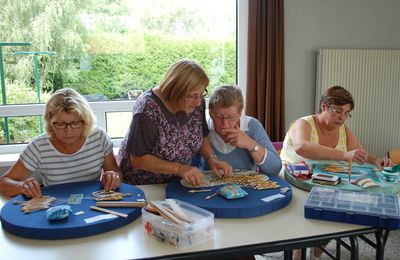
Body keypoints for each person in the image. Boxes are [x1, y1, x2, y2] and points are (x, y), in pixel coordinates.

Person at [280, 85, 392, 260]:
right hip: (294, 181)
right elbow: (302, 147)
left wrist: (376, 160)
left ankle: (318, 248)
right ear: (323, 106)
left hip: (324, 182)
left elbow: (359, 153)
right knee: (304, 214)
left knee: (339, 208)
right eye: (338, 111)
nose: (342, 117)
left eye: (347, 113)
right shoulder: (303, 123)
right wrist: (344, 155)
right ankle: (298, 252)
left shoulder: (343, 130)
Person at [118, 59, 232, 186]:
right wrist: (180, 169)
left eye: (201, 94)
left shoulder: (196, 102)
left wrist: (212, 159)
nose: (199, 102)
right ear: (176, 90)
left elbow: (202, 135)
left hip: (176, 181)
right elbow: (138, 159)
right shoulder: (147, 109)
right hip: (144, 184)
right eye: (193, 95)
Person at [0, 88, 122, 198]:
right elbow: (4, 183)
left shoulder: (98, 137)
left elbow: (117, 174)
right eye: (60, 124)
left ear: (86, 121)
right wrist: (23, 186)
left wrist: (113, 177)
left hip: (93, 202)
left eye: (75, 123)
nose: (68, 131)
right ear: (50, 121)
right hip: (55, 206)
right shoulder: (39, 146)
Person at [194, 85, 282, 176]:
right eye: (219, 117)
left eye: (231, 117)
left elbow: (275, 169)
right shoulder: (202, 128)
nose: (225, 124)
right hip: (210, 187)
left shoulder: (252, 126)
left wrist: (250, 144)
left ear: (240, 113)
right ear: (210, 112)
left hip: (247, 187)